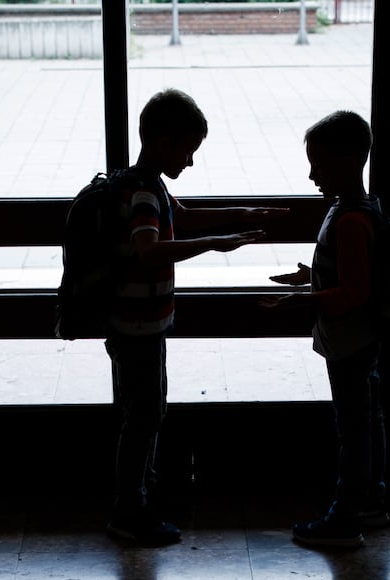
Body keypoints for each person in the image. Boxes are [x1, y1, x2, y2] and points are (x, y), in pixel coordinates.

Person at [102, 88, 278, 546]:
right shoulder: (143, 191)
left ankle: (140, 497)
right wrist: (215, 245)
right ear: (162, 142)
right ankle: (130, 510)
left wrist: (239, 218)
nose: (190, 162)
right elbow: (149, 249)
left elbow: (185, 216)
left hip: (140, 324)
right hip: (137, 325)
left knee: (146, 412)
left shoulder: (144, 182)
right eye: (188, 150)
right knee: (143, 416)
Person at [266, 110, 385, 549]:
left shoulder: (351, 220)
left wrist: (303, 300)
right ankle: (371, 502)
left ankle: (345, 517)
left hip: (349, 342)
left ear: (350, 161)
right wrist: (309, 276)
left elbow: (353, 292)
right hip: (359, 340)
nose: (312, 173)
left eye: (319, 163)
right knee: (366, 422)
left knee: (352, 430)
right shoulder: (353, 208)